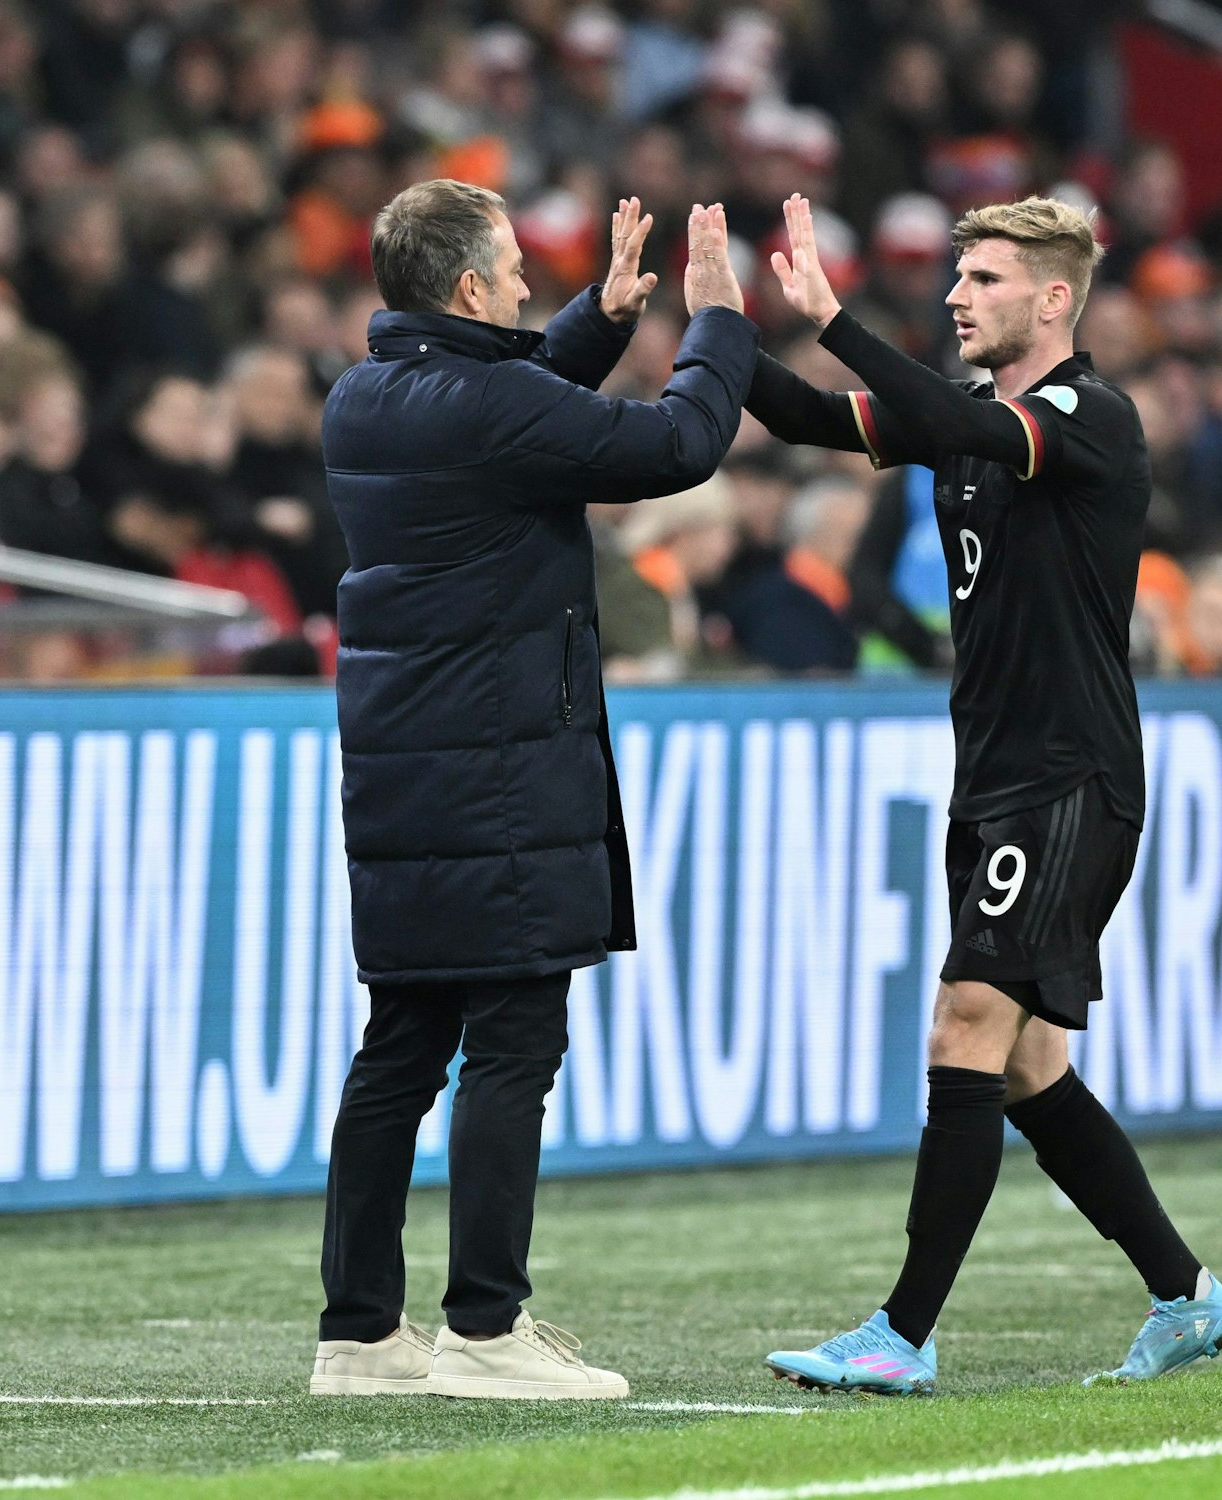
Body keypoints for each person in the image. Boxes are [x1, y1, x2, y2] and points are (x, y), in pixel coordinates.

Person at [745, 193, 1222, 1394]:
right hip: (996, 782)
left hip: (1067, 779)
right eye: (957, 276)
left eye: (983, 279)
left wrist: (835, 317)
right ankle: (1185, 1294)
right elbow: (814, 414)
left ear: (1053, 298)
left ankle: (900, 1335)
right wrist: (715, 323)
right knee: (1024, 1068)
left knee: (965, 1021)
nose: (958, 295)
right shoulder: (967, 415)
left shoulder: (1088, 418)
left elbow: (926, 413)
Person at [312, 180, 756, 1400]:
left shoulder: (365, 395)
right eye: (512, 269)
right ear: (465, 288)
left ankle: (357, 1336)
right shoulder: (489, 404)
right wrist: (717, 319)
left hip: (404, 772)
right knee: (514, 1042)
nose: (524, 285)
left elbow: (504, 398)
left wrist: (599, 317)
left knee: (399, 1048)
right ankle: (485, 1330)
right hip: (502, 770)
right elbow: (674, 446)